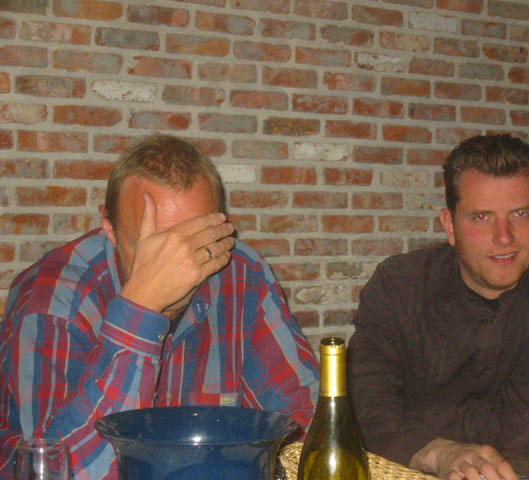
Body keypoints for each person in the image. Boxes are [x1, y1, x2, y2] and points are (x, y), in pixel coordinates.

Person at [0, 134, 319, 479]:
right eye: (154, 246)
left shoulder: (242, 275)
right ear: (109, 227)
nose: (179, 267)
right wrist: (140, 310)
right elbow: (55, 471)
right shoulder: (52, 301)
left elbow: (305, 422)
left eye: (196, 242)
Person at [347, 134, 529, 480]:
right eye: (482, 217)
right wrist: (435, 451)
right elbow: (364, 407)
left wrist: (411, 425)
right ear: (450, 226)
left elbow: (527, 422)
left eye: (521, 214)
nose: (504, 237)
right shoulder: (398, 284)